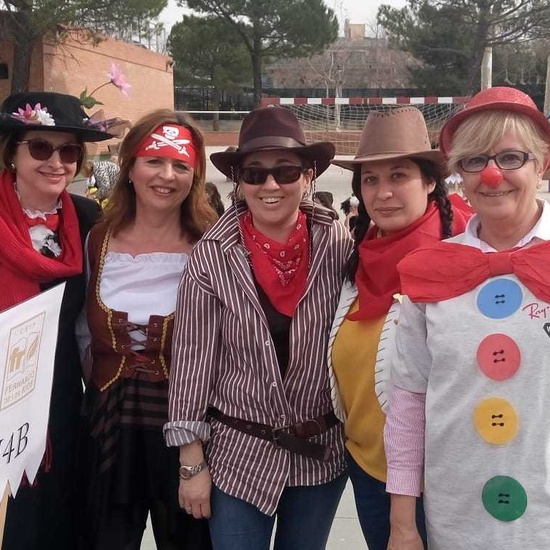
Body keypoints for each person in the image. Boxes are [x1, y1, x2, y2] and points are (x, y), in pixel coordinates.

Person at [164, 106, 353, 549]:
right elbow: (193, 358)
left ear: (308, 177)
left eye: (286, 171)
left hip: (318, 454)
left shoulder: (337, 241)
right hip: (239, 455)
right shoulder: (212, 254)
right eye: (255, 172)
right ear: (239, 181)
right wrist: (191, 463)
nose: (270, 185)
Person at [385, 87, 550, 549]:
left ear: (543, 165)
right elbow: (408, 404)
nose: (493, 175)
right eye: (475, 160)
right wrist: (402, 526)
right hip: (455, 518)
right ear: (459, 173)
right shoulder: (429, 272)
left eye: (512, 157)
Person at [327, 106, 472, 550]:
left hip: (435, 482)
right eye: (370, 180)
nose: (383, 192)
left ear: (430, 182)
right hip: (367, 468)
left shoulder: (462, 262)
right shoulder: (360, 258)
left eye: (398, 176)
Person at [80, 109, 216, 549]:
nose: (167, 175)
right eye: (154, 160)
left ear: (194, 176)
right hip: (107, 426)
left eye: (181, 165)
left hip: (185, 430)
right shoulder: (96, 240)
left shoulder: (211, 246)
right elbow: (80, 330)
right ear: (130, 166)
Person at [0, 91, 112, 549]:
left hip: (62, 402)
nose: (57, 162)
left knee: (59, 522)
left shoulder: (87, 218)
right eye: (41, 147)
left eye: (69, 151)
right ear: (12, 153)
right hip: (0, 400)